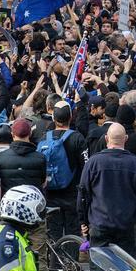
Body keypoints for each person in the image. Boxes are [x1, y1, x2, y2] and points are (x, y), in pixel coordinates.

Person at [78, 122, 136, 258]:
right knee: (126, 269)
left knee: (100, 270)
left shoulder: (93, 163)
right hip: (127, 225)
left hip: (99, 224)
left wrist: (83, 220)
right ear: (126, 139)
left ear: (106, 138)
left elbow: (83, 194)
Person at [0, 118, 49, 271]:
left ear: (12, 135)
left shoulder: (1, 158)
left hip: (10, 214)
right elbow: (42, 181)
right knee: (39, 255)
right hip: (34, 213)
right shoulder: (39, 158)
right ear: (30, 134)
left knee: (10, 252)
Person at [37, 103, 87, 247]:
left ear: (53, 118)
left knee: (53, 233)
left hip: (51, 193)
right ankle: (72, 266)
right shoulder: (77, 138)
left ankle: (55, 266)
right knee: (72, 233)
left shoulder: (43, 138)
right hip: (72, 194)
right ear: (71, 117)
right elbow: (85, 165)